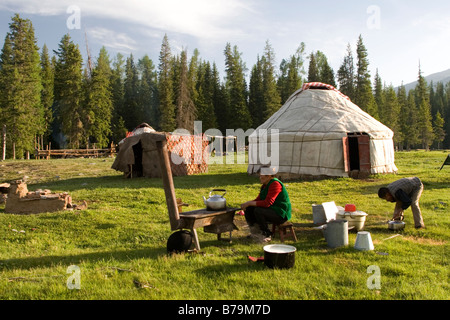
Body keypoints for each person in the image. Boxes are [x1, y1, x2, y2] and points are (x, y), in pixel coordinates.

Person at [241, 166, 292, 242]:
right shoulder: (265, 186)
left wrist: (249, 203)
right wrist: (247, 204)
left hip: (281, 213)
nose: (260, 178)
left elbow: (267, 203)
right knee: (249, 208)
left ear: (268, 176)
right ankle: (255, 232)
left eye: (261, 176)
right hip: (272, 209)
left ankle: (267, 234)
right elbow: (258, 200)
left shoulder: (275, 184)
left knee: (258, 210)